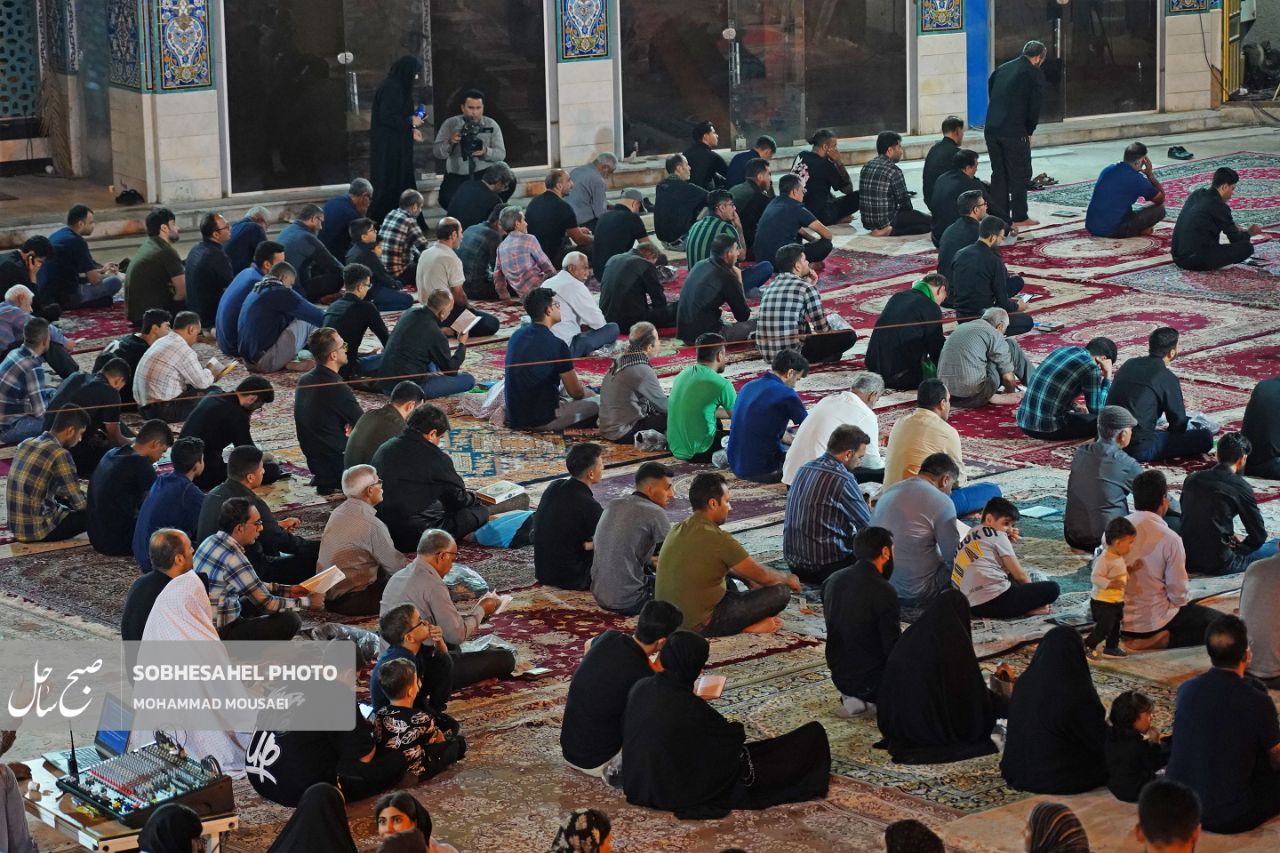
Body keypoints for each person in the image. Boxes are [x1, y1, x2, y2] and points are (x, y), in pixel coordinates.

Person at [622, 630, 830, 818]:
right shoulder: (688, 705)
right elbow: (731, 739)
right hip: (672, 792)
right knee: (811, 737)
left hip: (637, 784)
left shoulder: (642, 686)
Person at [1166, 614, 1280, 833]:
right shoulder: (1257, 701)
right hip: (1227, 816)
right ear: (1246, 654)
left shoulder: (1186, 689)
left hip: (1181, 806)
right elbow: (1276, 760)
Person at [655, 472, 799, 635]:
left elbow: (724, 566)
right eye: (727, 501)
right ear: (713, 504)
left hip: (668, 619)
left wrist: (746, 579)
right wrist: (788, 579)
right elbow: (764, 577)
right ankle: (746, 628)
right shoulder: (718, 538)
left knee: (728, 581)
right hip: (697, 624)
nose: (730, 508)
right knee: (780, 592)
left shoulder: (678, 528)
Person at [876, 589, 1005, 764]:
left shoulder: (913, 635)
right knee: (999, 710)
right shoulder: (951, 643)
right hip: (926, 725)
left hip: (897, 721)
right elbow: (965, 694)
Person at [380, 528, 516, 687]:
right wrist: (482, 609)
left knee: (452, 645)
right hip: (414, 672)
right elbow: (457, 635)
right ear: (442, 556)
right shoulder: (433, 584)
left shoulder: (398, 576)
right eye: (452, 560)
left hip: (388, 662)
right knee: (505, 658)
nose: (451, 566)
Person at [561, 600, 683, 775]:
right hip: (600, 762)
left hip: (569, 750)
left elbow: (588, 645)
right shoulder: (645, 676)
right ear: (662, 642)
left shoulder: (609, 637)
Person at [1000, 626, 1107, 793]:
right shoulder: (1076, 690)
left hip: (1016, 769)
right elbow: (1097, 738)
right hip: (1057, 777)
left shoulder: (1024, 681)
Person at [195, 498, 320, 640]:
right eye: (257, 523)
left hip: (205, 621)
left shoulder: (210, 541)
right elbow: (268, 605)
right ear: (240, 528)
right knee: (290, 620)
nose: (261, 528)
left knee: (254, 597)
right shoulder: (234, 558)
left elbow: (253, 585)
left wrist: (290, 590)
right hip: (220, 634)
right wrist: (307, 602)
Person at [1121, 470, 1218, 651]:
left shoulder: (1114, 529)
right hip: (1151, 623)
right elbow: (1178, 595)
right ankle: (1162, 640)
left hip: (1117, 620)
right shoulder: (1170, 539)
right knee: (1222, 625)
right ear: (1164, 500)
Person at [373, 404, 489, 551]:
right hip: (417, 537)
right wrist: (475, 499)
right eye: (440, 437)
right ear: (432, 433)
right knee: (481, 511)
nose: (439, 442)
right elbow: (458, 500)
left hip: (382, 529)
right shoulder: (436, 458)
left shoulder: (385, 448)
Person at [198, 445, 321, 583]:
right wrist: (319, 546)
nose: (263, 471)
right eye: (261, 468)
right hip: (246, 573)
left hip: (212, 569)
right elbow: (281, 542)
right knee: (312, 557)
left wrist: (276, 525)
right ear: (250, 477)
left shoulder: (212, 494)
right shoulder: (249, 504)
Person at [881, 380, 1002, 517]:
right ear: (942, 403)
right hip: (921, 508)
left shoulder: (900, 422)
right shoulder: (946, 431)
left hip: (888, 499)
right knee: (991, 490)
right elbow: (959, 480)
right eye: (949, 401)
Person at [823, 526, 899, 719]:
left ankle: (853, 698)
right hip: (871, 682)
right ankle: (876, 701)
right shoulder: (884, 590)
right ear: (885, 552)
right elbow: (892, 648)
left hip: (840, 677)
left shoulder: (832, 580)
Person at [1106, 327, 1213, 463]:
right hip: (1137, 448)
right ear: (1172, 352)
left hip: (1107, 439)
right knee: (1205, 437)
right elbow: (1178, 423)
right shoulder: (1166, 377)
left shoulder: (1129, 364)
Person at [870, 452, 963, 606]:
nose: (951, 492)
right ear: (945, 480)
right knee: (967, 563)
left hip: (881, 584)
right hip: (916, 592)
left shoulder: (890, 490)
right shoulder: (942, 501)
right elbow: (953, 556)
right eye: (952, 486)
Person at [784, 425, 872, 584]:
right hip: (825, 568)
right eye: (860, 457)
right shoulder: (843, 478)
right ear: (848, 454)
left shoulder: (804, 468)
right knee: (880, 545)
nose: (860, 462)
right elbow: (867, 527)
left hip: (794, 564)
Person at [504, 287, 599, 431]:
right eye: (557, 305)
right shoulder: (557, 345)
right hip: (543, 420)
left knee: (562, 389)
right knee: (601, 402)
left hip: (514, 416)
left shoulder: (516, 335)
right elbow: (576, 393)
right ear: (548, 311)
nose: (559, 309)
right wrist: (590, 394)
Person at [1180, 432, 1276, 575]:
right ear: (1243, 459)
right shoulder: (1240, 486)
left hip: (1188, 558)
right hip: (1220, 563)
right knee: (1276, 545)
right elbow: (1259, 536)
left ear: (1217, 455)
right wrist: (1240, 548)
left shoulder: (1192, 479)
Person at [953, 497, 1060, 618]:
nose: (1010, 529)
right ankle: (1029, 610)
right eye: (1006, 524)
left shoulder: (972, 532)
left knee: (1009, 577)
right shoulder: (999, 536)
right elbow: (1020, 576)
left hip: (971, 606)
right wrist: (1034, 598)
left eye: (1012, 525)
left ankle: (1018, 608)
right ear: (989, 519)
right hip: (994, 601)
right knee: (1052, 588)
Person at [317, 465, 404, 615]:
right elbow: (396, 567)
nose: (382, 487)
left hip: (328, 593)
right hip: (353, 600)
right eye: (379, 482)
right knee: (415, 589)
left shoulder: (338, 512)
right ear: (370, 490)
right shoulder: (372, 525)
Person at [591, 462, 674, 615]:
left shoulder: (613, 504)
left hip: (599, 594)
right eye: (667, 488)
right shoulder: (655, 512)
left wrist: (651, 560)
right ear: (650, 489)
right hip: (630, 600)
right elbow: (677, 557)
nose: (672, 494)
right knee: (686, 587)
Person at [86, 419, 172, 556]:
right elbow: (156, 506)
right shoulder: (141, 464)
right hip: (117, 543)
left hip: (96, 536)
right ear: (155, 444)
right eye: (162, 452)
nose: (160, 457)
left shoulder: (112, 453)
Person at [295, 327, 364, 495]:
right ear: (333, 355)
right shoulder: (337, 388)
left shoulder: (305, 380)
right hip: (338, 464)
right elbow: (364, 424)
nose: (346, 350)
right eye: (343, 346)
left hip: (316, 463)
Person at [1064, 406, 1145, 551]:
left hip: (1072, 536)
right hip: (1109, 540)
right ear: (1123, 435)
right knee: (1167, 521)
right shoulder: (1126, 464)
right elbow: (1156, 498)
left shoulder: (1080, 453)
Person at [783, 372, 884, 486]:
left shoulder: (827, 400)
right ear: (873, 395)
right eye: (877, 399)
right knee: (882, 473)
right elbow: (872, 463)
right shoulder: (865, 414)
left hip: (791, 480)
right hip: (817, 485)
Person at [372, 658, 466, 781]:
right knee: (458, 743)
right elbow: (439, 742)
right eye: (417, 681)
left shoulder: (379, 713)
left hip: (391, 768)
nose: (419, 684)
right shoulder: (421, 717)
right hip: (415, 773)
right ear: (411, 691)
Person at [985, 40, 1046, 228]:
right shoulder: (1033, 74)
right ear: (1038, 58)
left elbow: (992, 91)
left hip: (991, 128)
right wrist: (1029, 130)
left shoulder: (1003, 69)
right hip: (1013, 130)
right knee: (1019, 173)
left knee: (999, 173)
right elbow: (1034, 107)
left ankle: (999, 216)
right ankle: (1020, 216)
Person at [758, 243, 853, 363]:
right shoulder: (806, 288)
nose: (808, 262)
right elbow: (822, 330)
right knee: (848, 335)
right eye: (805, 260)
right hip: (794, 356)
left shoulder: (770, 287)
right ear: (797, 266)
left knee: (802, 322)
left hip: (768, 356)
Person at [6, 406, 90, 543]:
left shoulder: (26, 442)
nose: (80, 439)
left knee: (63, 499)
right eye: (80, 434)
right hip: (36, 530)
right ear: (70, 430)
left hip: (15, 526)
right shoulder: (60, 454)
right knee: (92, 515)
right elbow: (79, 504)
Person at [726, 350, 808, 483]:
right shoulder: (787, 394)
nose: (795, 385)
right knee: (808, 453)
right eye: (796, 379)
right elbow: (810, 425)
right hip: (764, 470)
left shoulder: (748, 386)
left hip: (735, 464)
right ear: (790, 373)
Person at [179, 375, 274, 490]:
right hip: (200, 474)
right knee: (271, 470)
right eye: (259, 406)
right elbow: (249, 454)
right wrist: (265, 458)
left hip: (180, 465)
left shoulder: (215, 393)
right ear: (252, 399)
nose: (256, 409)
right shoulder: (237, 415)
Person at [377, 289, 476, 398]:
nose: (450, 312)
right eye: (450, 310)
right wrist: (462, 344)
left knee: (430, 355)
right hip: (408, 390)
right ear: (443, 312)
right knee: (468, 379)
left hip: (385, 382)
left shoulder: (409, 312)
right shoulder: (435, 333)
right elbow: (451, 371)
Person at [533, 442, 604, 590]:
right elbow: (613, 539)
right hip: (573, 578)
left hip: (542, 572)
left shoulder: (554, 486)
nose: (603, 468)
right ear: (591, 473)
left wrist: (588, 544)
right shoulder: (589, 505)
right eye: (601, 465)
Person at [42, 358, 129, 476]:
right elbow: (116, 440)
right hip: (65, 456)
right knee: (122, 458)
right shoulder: (110, 393)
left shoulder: (75, 376)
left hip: (44, 442)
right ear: (118, 380)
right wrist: (136, 444)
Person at [1017, 337, 1117, 440]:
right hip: (1047, 429)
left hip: (1023, 421)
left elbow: (1055, 388)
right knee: (1107, 424)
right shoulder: (1091, 367)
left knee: (1081, 415)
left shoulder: (1062, 350)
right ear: (1103, 359)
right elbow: (1097, 411)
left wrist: (1074, 406)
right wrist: (1107, 377)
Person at [417, 219, 500, 337]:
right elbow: (459, 295)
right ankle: (450, 330)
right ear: (453, 235)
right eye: (461, 232)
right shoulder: (451, 258)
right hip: (443, 313)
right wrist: (470, 310)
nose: (462, 236)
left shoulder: (426, 253)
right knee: (491, 323)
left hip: (425, 311)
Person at [950, 216, 1033, 335]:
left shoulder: (960, 253)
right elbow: (1003, 302)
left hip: (961, 315)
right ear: (993, 237)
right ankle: (989, 336)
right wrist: (1017, 307)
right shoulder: (993, 260)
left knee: (1015, 281)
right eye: (1001, 238)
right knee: (1026, 321)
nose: (1001, 242)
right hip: (983, 317)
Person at [866, 274, 948, 392]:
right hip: (900, 376)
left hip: (873, 369)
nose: (940, 304)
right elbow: (936, 348)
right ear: (941, 290)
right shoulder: (930, 307)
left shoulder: (898, 297)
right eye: (943, 299)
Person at [133, 438, 205, 572]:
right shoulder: (189, 492)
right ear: (196, 464)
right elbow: (204, 527)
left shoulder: (161, 479)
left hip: (141, 553)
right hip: (158, 563)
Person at [237, 264, 325, 373]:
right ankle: (325, 360)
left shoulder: (257, 289)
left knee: (296, 317)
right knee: (309, 322)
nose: (291, 288)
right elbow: (317, 316)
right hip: (265, 362)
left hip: (248, 361)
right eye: (291, 284)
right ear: (284, 277)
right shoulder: (280, 291)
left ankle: (288, 362)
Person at [937, 307, 1031, 408]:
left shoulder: (962, 327)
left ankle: (993, 396)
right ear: (1000, 326)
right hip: (974, 397)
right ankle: (1036, 384)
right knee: (1010, 345)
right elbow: (1008, 377)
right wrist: (1010, 392)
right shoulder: (994, 333)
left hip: (947, 395)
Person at [1171, 166, 1261, 271]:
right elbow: (1236, 240)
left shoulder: (1197, 194)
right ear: (1224, 187)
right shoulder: (1219, 206)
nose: (1232, 194)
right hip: (1193, 260)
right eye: (1232, 189)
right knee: (1247, 248)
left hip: (1177, 255)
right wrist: (1250, 233)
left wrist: (1233, 227)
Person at [368, 55, 424, 223]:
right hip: (390, 149)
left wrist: (411, 129)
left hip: (395, 145)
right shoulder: (392, 88)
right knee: (391, 182)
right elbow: (387, 116)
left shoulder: (395, 86)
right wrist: (410, 121)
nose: (416, 77)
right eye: (415, 73)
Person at [370, 603, 453, 714]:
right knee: (448, 724)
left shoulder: (410, 648)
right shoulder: (402, 665)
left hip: (410, 697)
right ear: (409, 637)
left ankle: (436, 709)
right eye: (420, 622)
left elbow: (443, 658)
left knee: (442, 659)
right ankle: (434, 715)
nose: (426, 623)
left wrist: (439, 640)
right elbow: (404, 703)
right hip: (395, 714)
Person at [38, 204, 123, 311]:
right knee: (115, 282)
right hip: (66, 297)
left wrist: (102, 270)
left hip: (47, 295)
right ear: (80, 224)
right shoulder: (77, 242)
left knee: (104, 294)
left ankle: (100, 301)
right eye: (91, 222)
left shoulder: (58, 235)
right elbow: (95, 280)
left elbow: (74, 271)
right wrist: (108, 275)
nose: (93, 225)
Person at [132, 311, 214, 422]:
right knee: (214, 393)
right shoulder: (183, 349)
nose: (196, 339)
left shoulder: (161, 341)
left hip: (143, 408)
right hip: (163, 412)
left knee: (192, 386)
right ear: (191, 329)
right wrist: (210, 371)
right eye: (197, 333)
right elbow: (202, 383)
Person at [685, 191, 772, 294]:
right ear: (722, 208)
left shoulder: (695, 226)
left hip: (694, 285)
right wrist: (739, 228)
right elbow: (742, 256)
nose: (734, 208)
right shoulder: (726, 228)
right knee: (766, 267)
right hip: (718, 289)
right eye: (731, 205)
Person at [676, 234, 756, 346]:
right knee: (760, 323)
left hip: (685, 334)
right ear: (728, 254)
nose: (738, 253)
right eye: (736, 249)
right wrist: (739, 280)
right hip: (708, 337)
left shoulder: (699, 265)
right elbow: (743, 315)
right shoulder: (726, 275)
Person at [432, 88, 506, 209]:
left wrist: (486, 151)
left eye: (478, 108)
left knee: (508, 181)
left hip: (484, 174)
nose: (474, 112)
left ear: (483, 108)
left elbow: (501, 154)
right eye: (471, 108)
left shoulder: (491, 124)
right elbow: (437, 153)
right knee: (446, 198)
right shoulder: (450, 124)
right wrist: (449, 142)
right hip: (458, 174)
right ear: (462, 108)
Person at [666, 333, 735, 462]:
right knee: (747, 438)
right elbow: (740, 419)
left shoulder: (683, 374)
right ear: (719, 355)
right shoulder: (722, 384)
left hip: (674, 446)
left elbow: (699, 409)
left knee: (716, 421)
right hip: (700, 451)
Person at [598, 322, 667, 443]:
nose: (659, 343)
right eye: (657, 340)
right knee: (675, 415)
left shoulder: (622, 359)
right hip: (623, 432)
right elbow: (664, 406)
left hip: (607, 427)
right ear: (649, 347)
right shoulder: (642, 369)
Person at [543, 251, 619, 358]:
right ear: (571, 268)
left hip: (544, 343)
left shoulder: (547, 282)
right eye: (585, 268)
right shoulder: (575, 285)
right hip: (565, 348)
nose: (588, 273)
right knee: (612, 328)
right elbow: (598, 323)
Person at [322, 263, 391, 381]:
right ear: (360, 287)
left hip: (325, 368)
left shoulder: (333, 306)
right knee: (395, 356)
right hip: (346, 369)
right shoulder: (366, 308)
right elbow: (387, 341)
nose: (368, 289)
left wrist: (364, 354)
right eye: (368, 285)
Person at [122, 529, 194, 641]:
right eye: (189, 548)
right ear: (179, 559)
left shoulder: (140, 582)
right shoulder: (174, 593)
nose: (193, 550)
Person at [218, 241, 286, 357]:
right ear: (267, 264)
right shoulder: (260, 283)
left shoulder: (247, 272)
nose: (285, 267)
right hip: (236, 346)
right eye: (281, 263)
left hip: (223, 342)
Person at [1086, 143, 1166, 238]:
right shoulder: (1137, 179)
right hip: (1113, 230)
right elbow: (1160, 198)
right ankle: (1141, 230)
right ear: (1138, 162)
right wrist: (1150, 174)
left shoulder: (1107, 169)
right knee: (1160, 210)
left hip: (1092, 227)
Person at [859, 131, 931, 237]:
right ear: (890, 150)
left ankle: (882, 230)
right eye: (899, 147)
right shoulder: (893, 170)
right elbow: (905, 203)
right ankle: (890, 231)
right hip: (886, 220)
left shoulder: (866, 166)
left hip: (867, 222)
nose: (901, 151)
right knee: (929, 223)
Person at [752, 173, 834, 265]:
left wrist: (812, 240)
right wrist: (816, 242)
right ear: (795, 191)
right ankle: (802, 266)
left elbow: (799, 230)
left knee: (796, 235)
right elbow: (828, 235)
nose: (803, 194)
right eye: (803, 190)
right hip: (782, 262)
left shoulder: (773, 203)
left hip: (762, 259)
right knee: (826, 245)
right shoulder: (797, 208)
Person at [0, 282, 78, 378]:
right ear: (21, 298)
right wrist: (65, 342)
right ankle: (74, 376)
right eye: (29, 304)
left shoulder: (3, 309)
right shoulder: (11, 311)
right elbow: (40, 326)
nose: (31, 310)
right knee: (43, 339)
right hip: (2, 359)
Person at [1086, 516, 1138, 660]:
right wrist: (1110, 584)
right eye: (1130, 542)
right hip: (1103, 602)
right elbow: (1095, 577)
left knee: (1115, 626)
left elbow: (1118, 573)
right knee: (1104, 628)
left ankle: (1111, 647)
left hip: (1115, 600)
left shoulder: (1117, 556)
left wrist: (1130, 570)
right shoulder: (1104, 559)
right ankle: (1088, 644)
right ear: (1118, 543)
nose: (1132, 546)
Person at [124, 207, 186, 325]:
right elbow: (182, 292)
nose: (178, 228)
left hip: (137, 314)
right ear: (164, 228)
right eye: (173, 224)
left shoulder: (149, 244)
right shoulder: (166, 251)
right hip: (152, 317)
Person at [1106, 691, 1169, 803]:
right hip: (1137, 792)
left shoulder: (1111, 733)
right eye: (1148, 714)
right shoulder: (1136, 745)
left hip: (1115, 787)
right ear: (1133, 718)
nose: (1152, 718)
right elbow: (1154, 764)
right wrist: (1155, 743)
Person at [0, 317, 55, 443]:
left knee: (52, 393)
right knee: (58, 424)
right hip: (8, 429)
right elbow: (41, 414)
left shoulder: (15, 352)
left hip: (6, 417)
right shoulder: (33, 366)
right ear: (45, 340)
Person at [345, 381, 424, 469]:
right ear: (410, 405)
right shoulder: (400, 428)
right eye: (418, 409)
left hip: (348, 475)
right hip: (370, 477)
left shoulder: (369, 414)